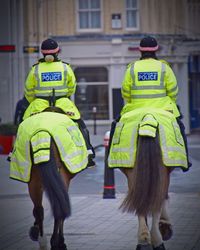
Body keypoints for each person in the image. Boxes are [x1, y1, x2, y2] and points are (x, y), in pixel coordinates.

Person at [110, 36, 191, 169]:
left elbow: (125, 93)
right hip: (163, 110)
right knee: (180, 129)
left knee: (116, 128)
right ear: (156, 50)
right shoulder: (164, 68)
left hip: (135, 109)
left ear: (140, 51)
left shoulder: (132, 68)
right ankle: (185, 160)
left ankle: (112, 158)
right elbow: (173, 91)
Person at [22, 38, 95, 167]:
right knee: (80, 125)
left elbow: (28, 91)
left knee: (23, 127)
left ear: (43, 53)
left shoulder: (35, 69)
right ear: (57, 52)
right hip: (62, 103)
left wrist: (35, 101)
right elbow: (72, 88)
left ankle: (16, 153)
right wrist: (63, 97)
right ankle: (88, 152)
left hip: (39, 104)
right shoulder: (65, 68)